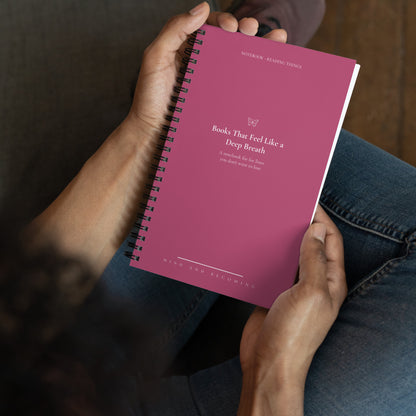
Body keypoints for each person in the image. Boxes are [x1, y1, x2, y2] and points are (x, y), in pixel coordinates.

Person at [1, 2, 416, 415]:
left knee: (195, 153)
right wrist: (273, 373)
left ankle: (220, 83)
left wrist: (145, 132)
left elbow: (14, 311)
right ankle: (247, 67)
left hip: (42, 369)